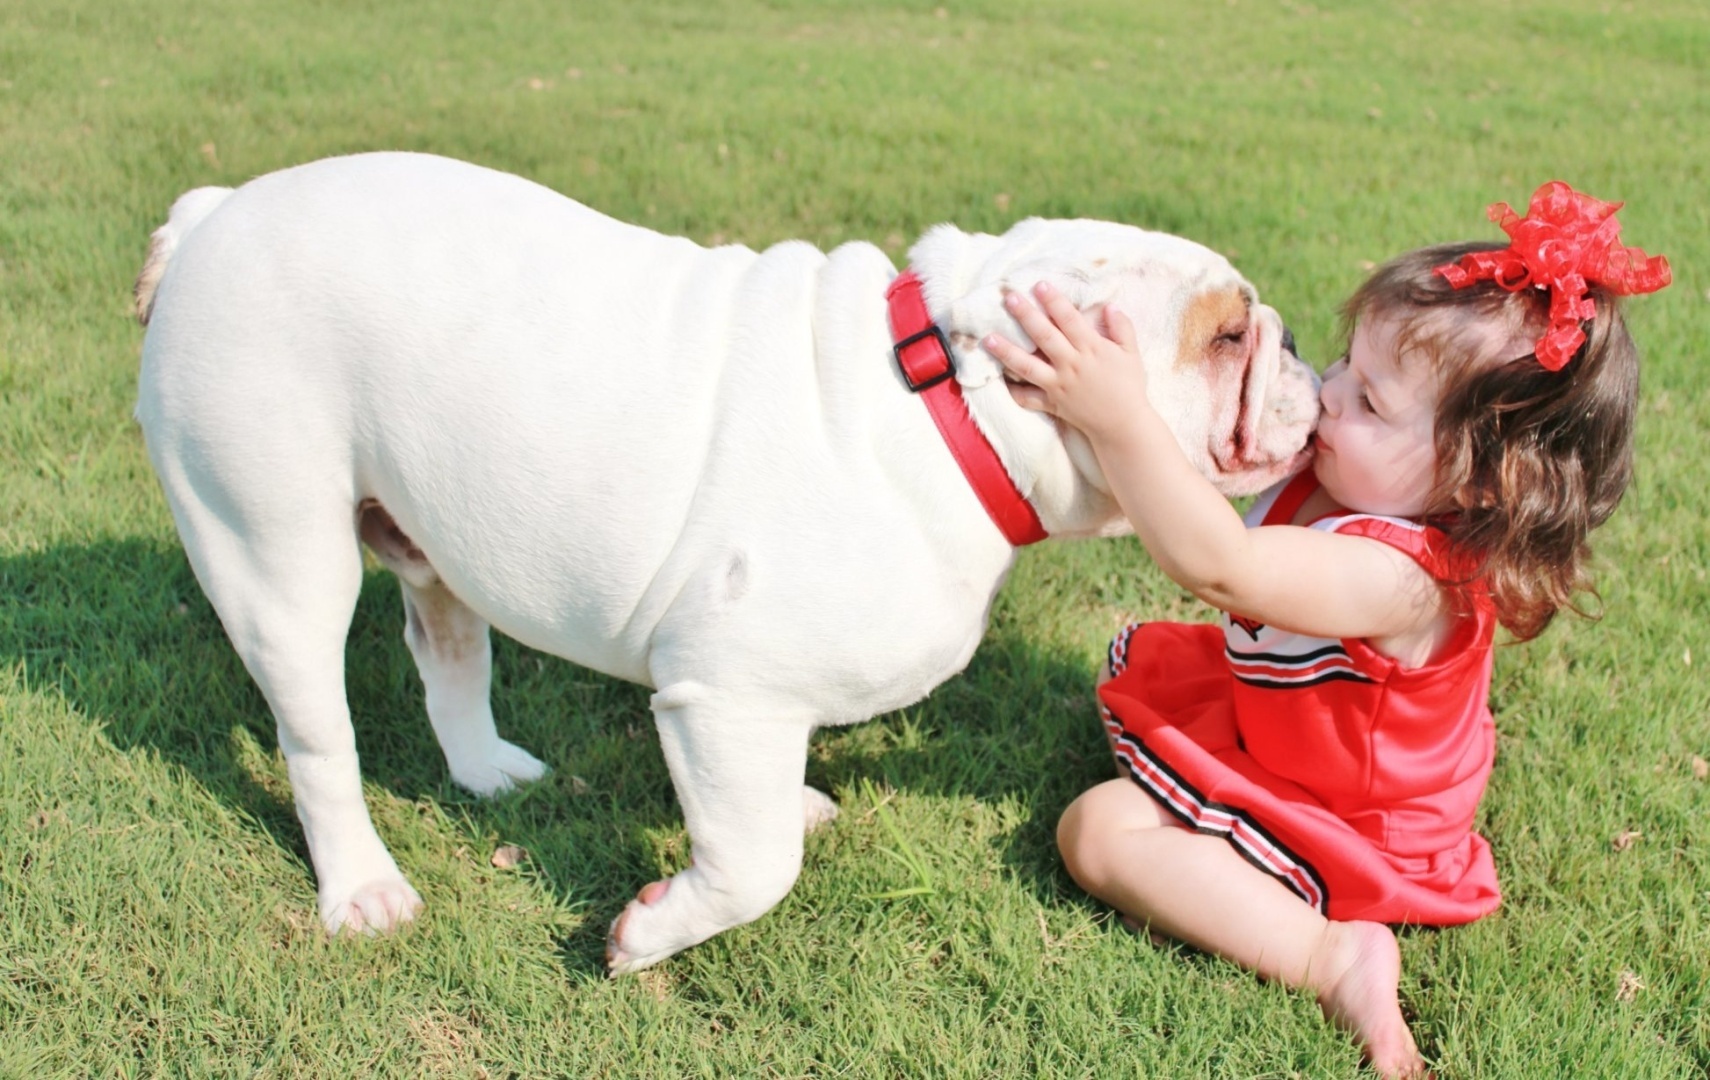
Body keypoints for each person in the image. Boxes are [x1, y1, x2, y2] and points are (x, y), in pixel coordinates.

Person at [982, 182, 1670, 1078]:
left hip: (1353, 815)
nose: (1332, 394)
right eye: (1347, 362)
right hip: (1292, 739)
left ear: (1478, 483)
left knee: (1099, 832)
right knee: (1124, 789)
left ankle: (1330, 954)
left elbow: (1220, 562)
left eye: (1373, 403)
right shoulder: (1359, 471)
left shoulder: (1401, 581)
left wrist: (1119, 418)